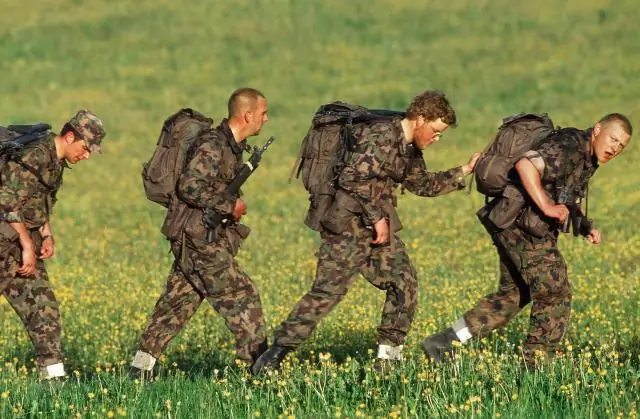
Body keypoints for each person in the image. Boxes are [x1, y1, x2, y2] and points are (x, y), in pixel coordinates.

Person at [251, 90, 481, 375]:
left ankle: (388, 361)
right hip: (345, 227)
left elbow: (421, 184)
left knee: (404, 283)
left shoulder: (409, 147)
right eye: (435, 131)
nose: (436, 139)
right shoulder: (382, 136)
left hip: (373, 230)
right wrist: (378, 218)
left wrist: (465, 170)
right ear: (420, 118)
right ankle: (272, 357)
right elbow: (351, 177)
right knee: (327, 293)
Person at [420, 113, 632, 369]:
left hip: (509, 222)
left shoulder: (587, 157)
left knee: (512, 296)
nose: (614, 148)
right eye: (613, 139)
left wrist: (585, 226)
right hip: (521, 225)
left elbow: (566, 196)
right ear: (597, 129)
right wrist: (546, 206)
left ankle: (444, 343)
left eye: (621, 146)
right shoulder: (570, 144)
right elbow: (526, 165)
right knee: (555, 291)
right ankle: (536, 367)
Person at [130, 88, 270, 379]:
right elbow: (190, 186)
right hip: (197, 238)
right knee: (243, 296)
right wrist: (230, 204)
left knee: (175, 306)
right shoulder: (213, 144)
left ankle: (139, 373)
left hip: (193, 236)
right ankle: (258, 372)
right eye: (263, 114)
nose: (265, 120)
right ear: (247, 115)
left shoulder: (230, 147)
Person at [0, 110, 106, 380]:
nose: (86, 155)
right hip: (7, 242)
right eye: (84, 148)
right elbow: (5, 197)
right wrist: (26, 242)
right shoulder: (35, 154)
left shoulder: (56, 161)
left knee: (43, 310)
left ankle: (54, 382)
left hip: (23, 246)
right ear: (70, 136)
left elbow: (41, 201)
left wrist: (46, 235)